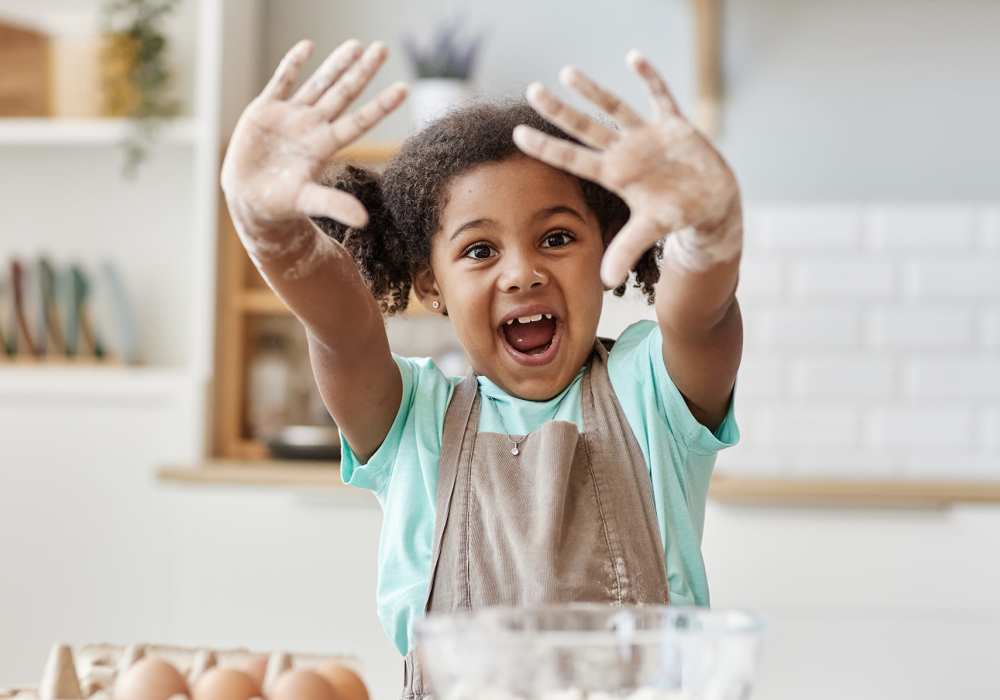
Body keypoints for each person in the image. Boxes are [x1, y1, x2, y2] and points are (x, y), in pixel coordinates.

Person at [221, 37, 743, 700]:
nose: (522, 272)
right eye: (479, 250)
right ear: (430, 286)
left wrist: (711, 227)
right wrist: (272, 230)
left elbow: (703, 316)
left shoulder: (651, 389)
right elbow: (341, 330)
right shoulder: (413, 418)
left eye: (556, 238)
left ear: (607, 249)